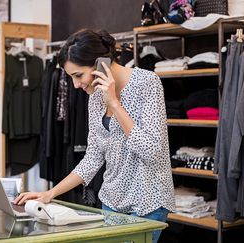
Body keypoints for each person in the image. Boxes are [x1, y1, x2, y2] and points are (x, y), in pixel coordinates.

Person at [14, 29, 175, 243]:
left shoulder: (147, 83)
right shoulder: (95, 98)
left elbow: (152, 151)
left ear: (101, 64)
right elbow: (92, 159)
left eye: (78, 75)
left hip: (147, 202)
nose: (76, 85)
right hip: (111, 202)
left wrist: (115, 104)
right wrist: (49, 194)